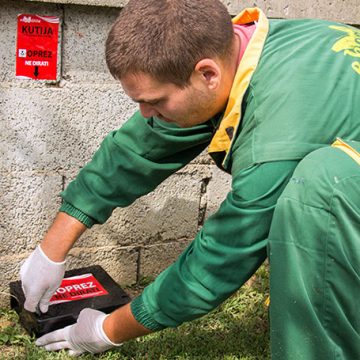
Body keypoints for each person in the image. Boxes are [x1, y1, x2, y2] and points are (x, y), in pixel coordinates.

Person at [19, 0, 360, 358]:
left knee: (321, 192)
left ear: (207, 74)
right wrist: (51, 249)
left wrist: (108, 330)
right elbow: (141, 147)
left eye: (156, 101)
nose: (146, 113)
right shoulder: (249, 49)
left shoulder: (277, 139)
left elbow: (220, 260)